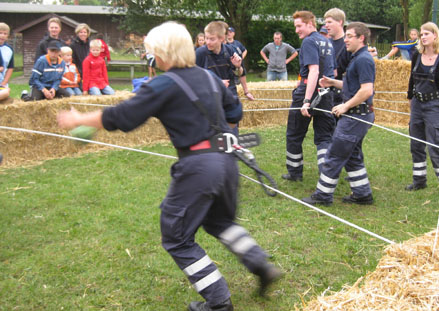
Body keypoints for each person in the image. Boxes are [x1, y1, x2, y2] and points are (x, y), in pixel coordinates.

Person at [57, 21, 282, 311]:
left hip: (199, 167)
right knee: (220, 222)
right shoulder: (209, 77)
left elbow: (122, 117)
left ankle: (217, 301)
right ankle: (261, 265)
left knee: (176, 237)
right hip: (226, 162)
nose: (152, 57)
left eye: (152, 52)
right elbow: (234, 110)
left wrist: (78, 120)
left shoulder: (164, 83)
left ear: (162, 53)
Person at [302, 22, 375, 206]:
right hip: (357, 114)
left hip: (355, 116)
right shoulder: (356, 57)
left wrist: (344, 106)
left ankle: (323, 195)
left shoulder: (363, 59)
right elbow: (354, 86)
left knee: (334, 154)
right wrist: (333, 83)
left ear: (361, 38)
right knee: (352, 155)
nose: (346, 39)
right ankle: (363, 194)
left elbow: (366, 90)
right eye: (346, 36)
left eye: (350, 36)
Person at [281, 11, 336, 182]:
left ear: (310, 23)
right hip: (326, 93)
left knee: (294, 134)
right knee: (324, 137)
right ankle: (326, 176)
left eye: (299, 26)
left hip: (309, 91)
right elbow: (332, 72)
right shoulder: (327, 42)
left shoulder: (309, 42)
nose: (296, 30)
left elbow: (314, 70)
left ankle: (295, 172)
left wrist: (306, 100)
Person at [406, 22, 439, 198]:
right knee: (416, 143)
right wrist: (409, 98)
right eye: (421, 34)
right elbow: (411, 80)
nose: (423, 36)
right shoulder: (416, 55)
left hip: (435, 106)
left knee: (436, 145)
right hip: (417, 105)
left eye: (427, 33)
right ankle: (419, 181)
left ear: (435, 36)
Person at [196, 22, 243, 97]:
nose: (207, 42)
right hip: (210, 97)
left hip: (230, 96)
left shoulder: (230, 50)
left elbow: (239, 74)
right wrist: (217, 83)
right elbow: (195, 79)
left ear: (222, 38)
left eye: (212, 39)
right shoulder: (200, 53)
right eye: (206, 38)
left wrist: (238, 66)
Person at [226, 27, 254, 100]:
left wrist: (246, 92)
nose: (228, 33)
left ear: (234, 33)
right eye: (227, 32)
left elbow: (242, 73)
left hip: (233, 81)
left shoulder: (237, 44)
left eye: (230, 32)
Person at [0, 22, 14, 104]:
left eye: (5, 34)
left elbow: (10, 67)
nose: (2, 35)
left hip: (2, 81)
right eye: (0, 33)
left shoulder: (9, 49)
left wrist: (4, 82)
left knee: (6, 92)